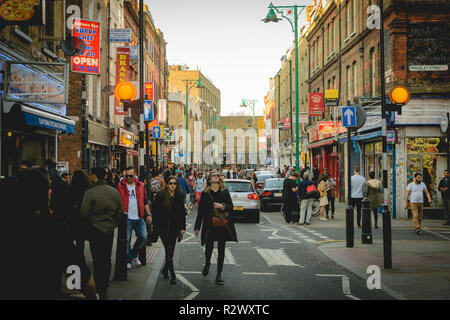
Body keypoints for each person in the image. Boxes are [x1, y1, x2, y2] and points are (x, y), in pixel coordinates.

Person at [0, 168, 97, 300]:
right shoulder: (54, 230)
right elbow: (78, 275)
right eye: (49, 188)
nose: (51, 191)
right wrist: (88, 295)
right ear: (44, 193)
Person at [80, 167, 123, 299]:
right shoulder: (114, 192)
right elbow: (120, 211)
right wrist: (113, 224)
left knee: (97, 259)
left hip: (95, 230)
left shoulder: (90, 193)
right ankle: (104, 284)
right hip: (109, 230)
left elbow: (83, 213)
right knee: (106, 258)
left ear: (94, 176)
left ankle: (99, 286)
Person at [194, 172, 237, 285]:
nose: (216, 176)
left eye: (217, 175)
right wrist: (197, 227)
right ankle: (207, 263)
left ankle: (219, 275)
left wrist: (222, 206)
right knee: (209, 248)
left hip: (222, 224)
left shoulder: (224, 192)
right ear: (209, 179)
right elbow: (201, 212)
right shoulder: (205, 193)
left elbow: (231, 206)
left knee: (221, 249)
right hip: (210, 225)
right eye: (213, 175)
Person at [152, 176, 186, 285]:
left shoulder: (179, 196)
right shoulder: (161, 195)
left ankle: (165, 269)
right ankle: (173, 276)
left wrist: (182, 228)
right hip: (163, 228)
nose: (172, 185)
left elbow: (182, 213)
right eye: (170, 183)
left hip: (174, 228)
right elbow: (155, 213)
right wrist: (155, 229)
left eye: (174, 183)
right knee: (168, 250)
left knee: (171, 252)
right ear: (167, 184)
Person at [117, 167, 152, 270]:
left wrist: (149, 215)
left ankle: (132, 255)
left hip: (139, 217)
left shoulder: (140, 185)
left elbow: (145, 201)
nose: (128, 178)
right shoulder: (120, 186)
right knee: (126, 241)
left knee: (143, 237)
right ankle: (128, 261)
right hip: (126, 218)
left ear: (134, 175)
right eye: (126, 176)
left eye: (130, 176)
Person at [67, 170, 91, 255]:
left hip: (73, 218)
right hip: (84, 219)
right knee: (81, 241)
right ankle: (80, 257)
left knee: (74, 240)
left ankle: (77, 257)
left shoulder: (70, 189)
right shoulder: (88, 189)